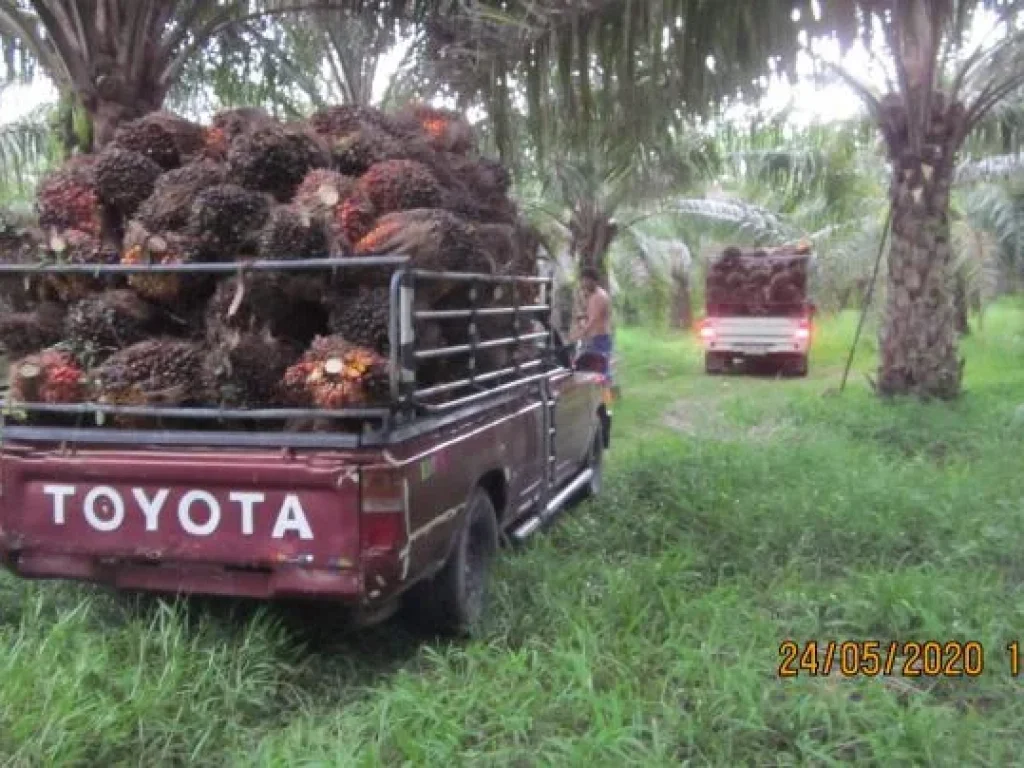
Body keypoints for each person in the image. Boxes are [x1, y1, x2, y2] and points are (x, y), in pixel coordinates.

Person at [569, 266, 613, 377]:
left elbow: (593, 321)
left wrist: (579, 335)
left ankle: (606, 393)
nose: (583, 284)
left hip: (599, 339)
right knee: (599, 371)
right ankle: (606, 392)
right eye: (582, 281)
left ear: (593, 281)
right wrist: (582, 316)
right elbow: (593, 315)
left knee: (600, 372)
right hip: (599, 338)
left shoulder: (598, 297)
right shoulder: (596, 295)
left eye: (585, 281)